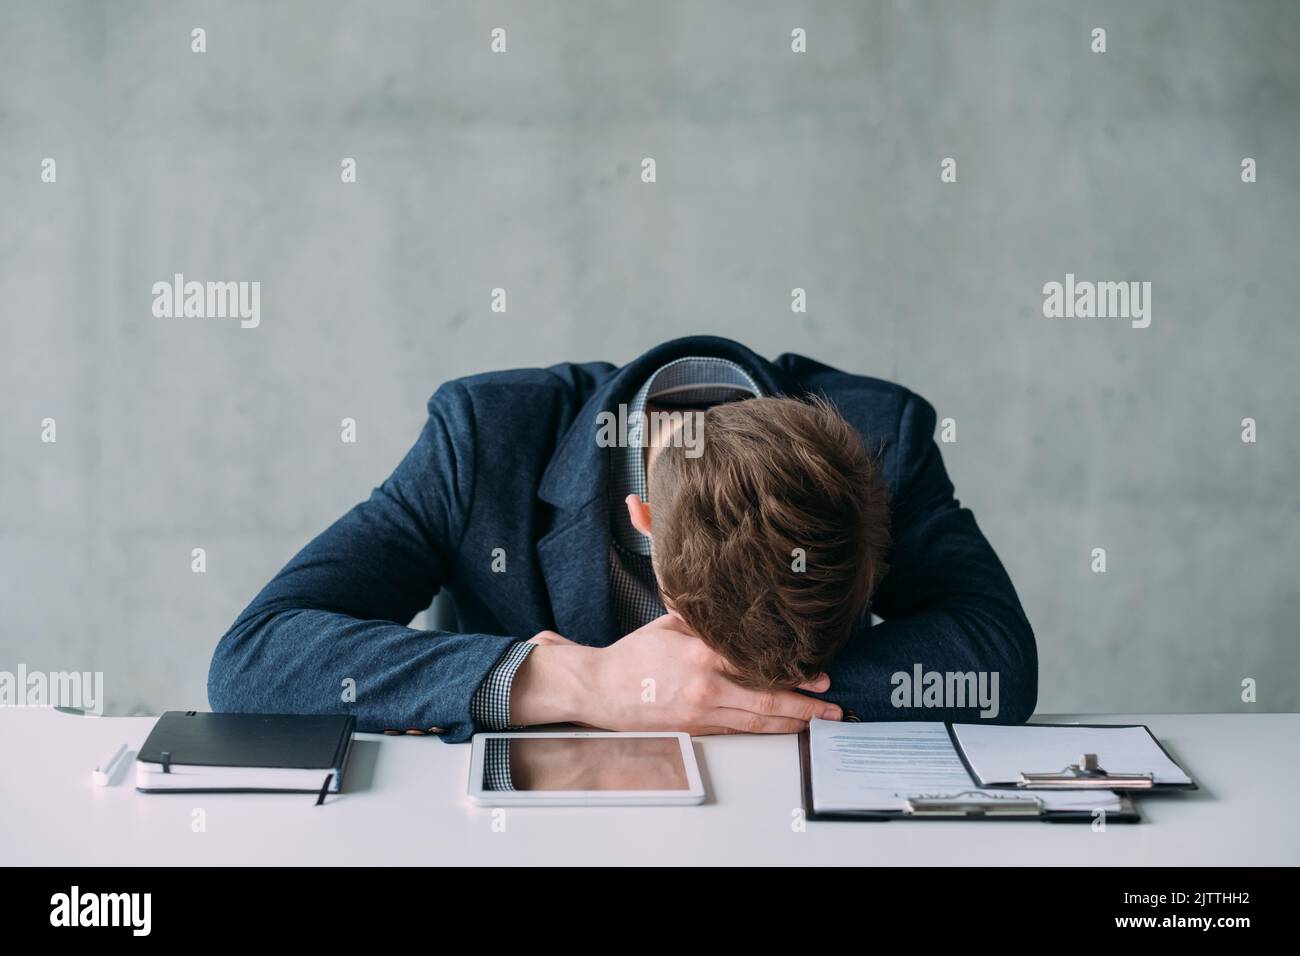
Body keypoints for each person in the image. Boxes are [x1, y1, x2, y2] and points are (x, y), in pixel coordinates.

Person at [208, 335, 1036, 744]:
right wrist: (578, 684)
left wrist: (747, 699)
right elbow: (255, 660)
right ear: (643, 522)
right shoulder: (482, 438)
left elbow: (998, 657)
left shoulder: (878, 441)